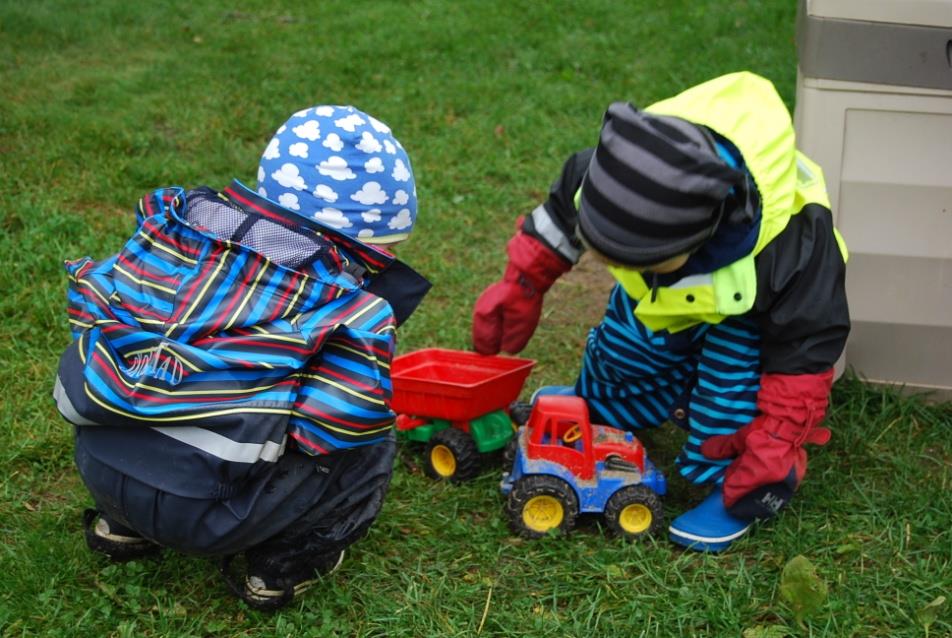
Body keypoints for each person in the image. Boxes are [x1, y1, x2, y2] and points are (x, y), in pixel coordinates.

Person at [54, 105, 430, 608]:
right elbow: (332, 427)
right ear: (356, 244)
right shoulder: (345, 307)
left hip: (99, 461)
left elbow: (92, 313)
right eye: (379, 255)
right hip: (214, 515)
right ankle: (283, 565)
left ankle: (121, 523)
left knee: (155, 386)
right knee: (370, 440)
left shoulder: (172, 234)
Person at [472, 72, 849, 552]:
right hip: (670, 293)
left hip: (752, 314)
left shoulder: (793, 249)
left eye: (629, 260)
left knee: (727, 393)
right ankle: (614, 407)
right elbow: (566, 207)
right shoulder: (617, 168)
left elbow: (805, 349)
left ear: (694, 245)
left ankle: (741, 489)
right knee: (623, 346)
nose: (608, 266)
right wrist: (523, 283)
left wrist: (777, 439)